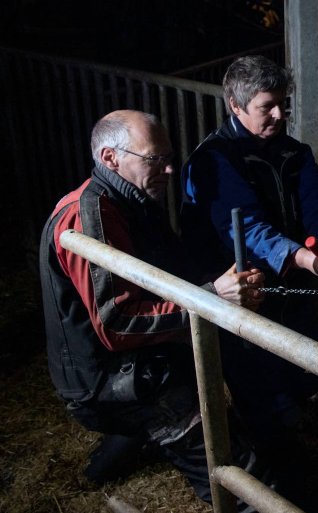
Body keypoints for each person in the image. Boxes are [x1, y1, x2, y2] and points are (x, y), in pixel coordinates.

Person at [40, 110, 269, 512]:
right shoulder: (90, 216)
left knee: (217, 396)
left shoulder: (135, 200)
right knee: (240, 467)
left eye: (168, 158)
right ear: (111, 158)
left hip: (133, 360)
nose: (168, 168)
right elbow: (118, 323)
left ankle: (111, 459)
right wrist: (210, 297)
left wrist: (221, 284)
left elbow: (174, 270)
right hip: (106, 380)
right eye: (154, 159)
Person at [180, 55, 318, 509]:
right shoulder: (213, 160)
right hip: (237, 284)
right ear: (235, 105)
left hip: (289, 279)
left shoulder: (293, 152)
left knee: (299, 354)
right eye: (268, 106)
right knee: (252, 370)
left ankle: (299, 428)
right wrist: (303, 258)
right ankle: (274, 462)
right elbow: (246, 230)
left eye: (284, 104)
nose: (281, 115)